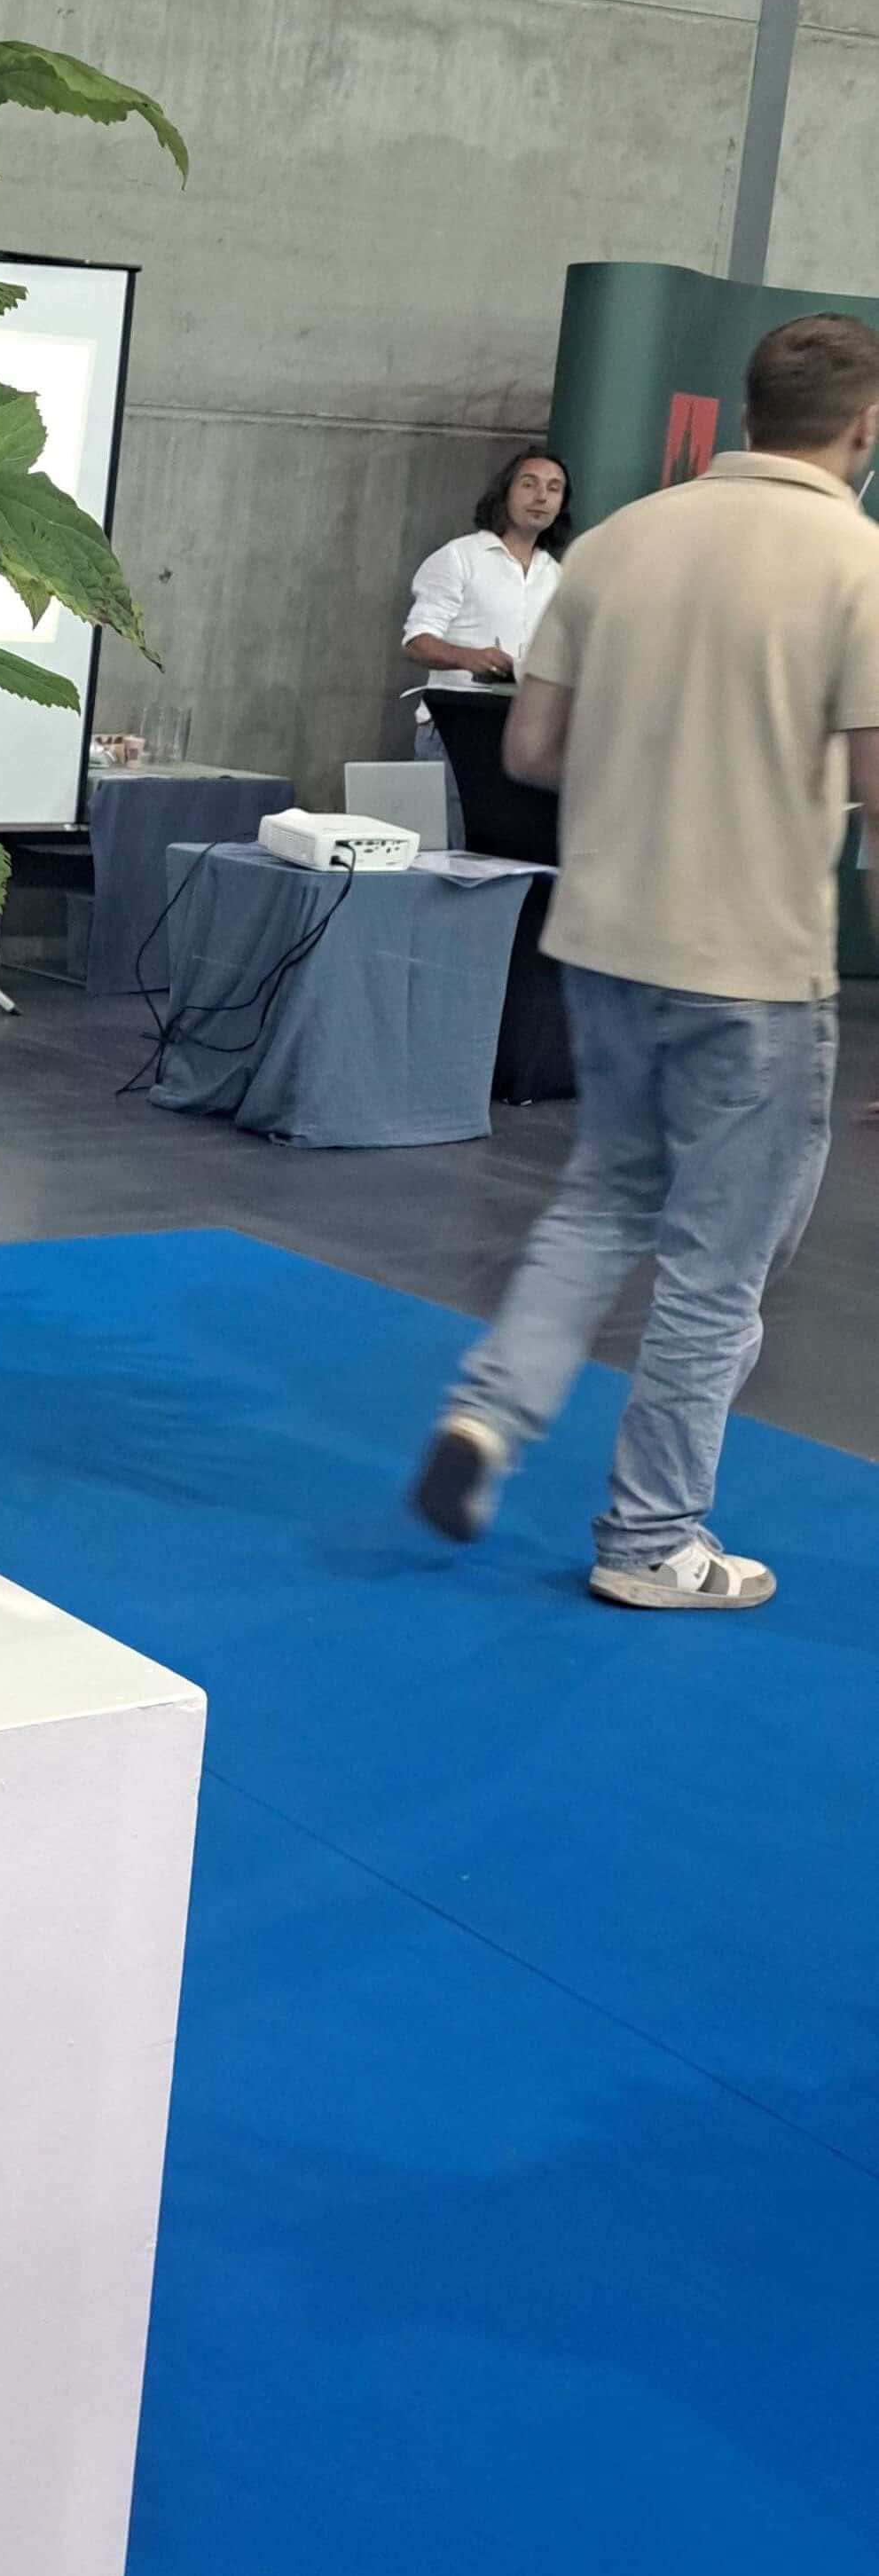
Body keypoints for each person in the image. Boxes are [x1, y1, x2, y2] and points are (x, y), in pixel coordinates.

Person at [411, 316, 879, 1608]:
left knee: (604, 1197)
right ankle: (651, 1538)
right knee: (719, 1270)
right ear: (864, 425)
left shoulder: (617, 544)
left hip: (610, 938)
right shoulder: (859, 564)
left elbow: (530, 752)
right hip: (757, 965)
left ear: (748, 408)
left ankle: (488, 1414)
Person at [401, 444, 571, 690]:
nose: (541, 496)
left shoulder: (557, 575)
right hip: (456, 708)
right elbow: (416, 642)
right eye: (528, 484)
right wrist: (467, 657)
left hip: (521, 710)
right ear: (505, 494)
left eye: (554, 488)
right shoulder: (459, 556)